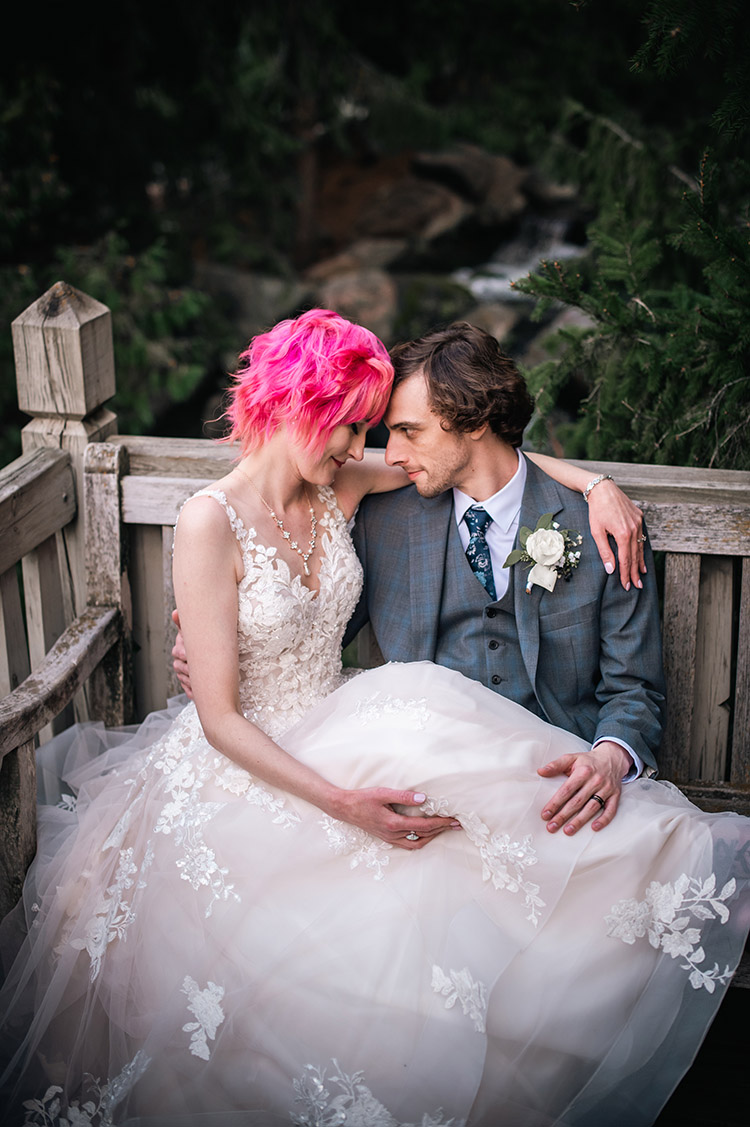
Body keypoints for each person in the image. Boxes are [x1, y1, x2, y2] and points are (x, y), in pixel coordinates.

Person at [1, 310, 748, 1127]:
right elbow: (229, 704)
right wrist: (239, 678)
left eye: (388, 429)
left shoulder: (363, 489)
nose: (371, 449)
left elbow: (501, 470)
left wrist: (595, 484)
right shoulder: (266, 512)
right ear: (307, 405)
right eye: (360, 427)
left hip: (443, 749)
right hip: (294, 766)